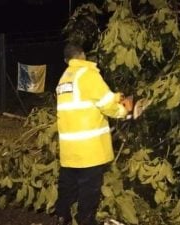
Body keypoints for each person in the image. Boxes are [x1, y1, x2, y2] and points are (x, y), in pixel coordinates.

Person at [54, 44, 133, 225]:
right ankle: (86, 220)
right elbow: (106, 105)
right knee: (89, 189)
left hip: (69, 147)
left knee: (68, 184)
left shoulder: (65, 78)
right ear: (83, 55)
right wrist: (124, 112)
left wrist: (117, 97)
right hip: (89, 148)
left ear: (67, 60)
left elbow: (91, 98)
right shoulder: (88, 74)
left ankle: (62, 216)